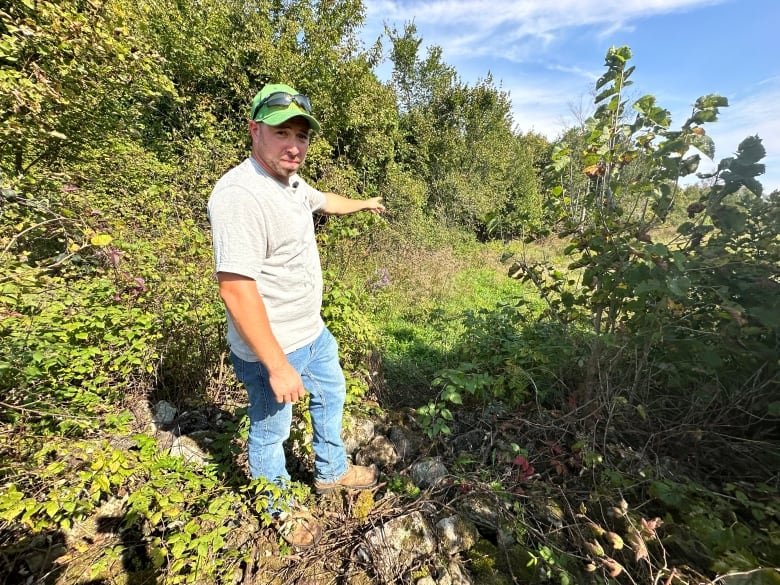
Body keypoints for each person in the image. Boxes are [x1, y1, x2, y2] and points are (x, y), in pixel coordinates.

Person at [207, 83, 385, 547]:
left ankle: (331, 471)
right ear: (255, 130)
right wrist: (278, 365)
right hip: (274, 349)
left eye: (302, 136)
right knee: (271, 431)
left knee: (332, 392)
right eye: (282, 131)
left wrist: (364, 203)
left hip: (312, 332)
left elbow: (326, 201)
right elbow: (236, 289)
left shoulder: (291, 182)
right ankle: (278, 507)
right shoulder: (241, 195)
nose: (294, 145)